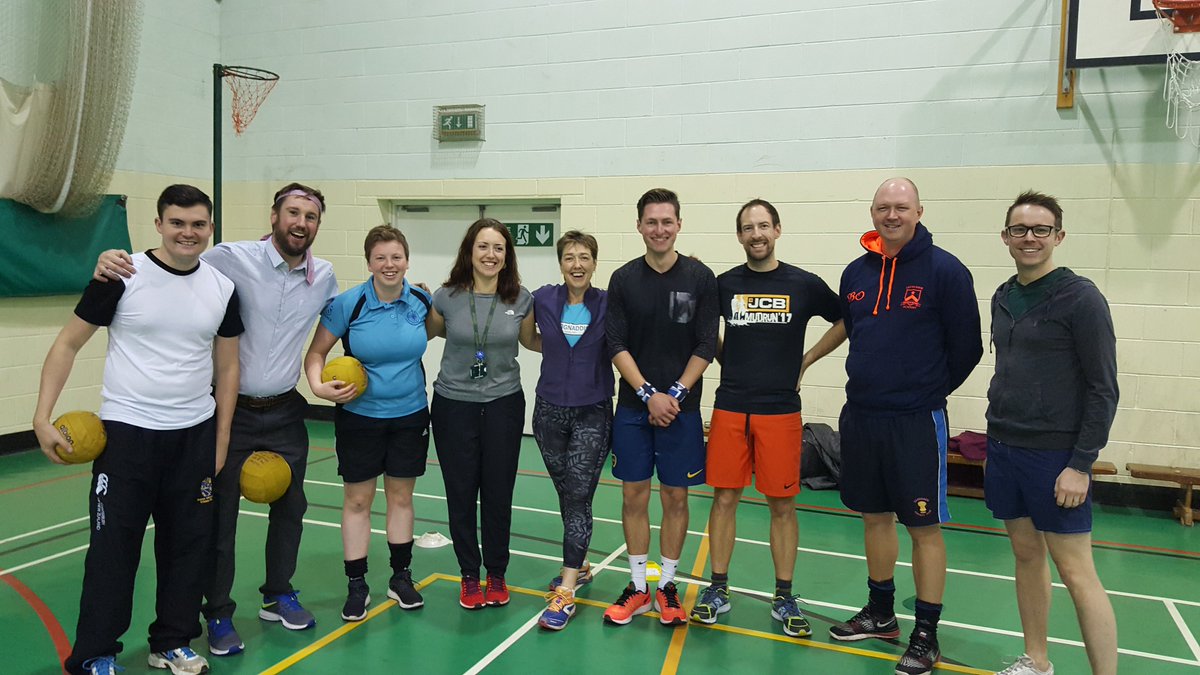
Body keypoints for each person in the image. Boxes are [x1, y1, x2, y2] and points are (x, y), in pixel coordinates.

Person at [95, 183, 338, 655]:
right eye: (293, 213)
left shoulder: (324, 275)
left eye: (310, 217)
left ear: (317, 225)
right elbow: (173, 264)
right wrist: (109, 261)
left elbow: (347, 312)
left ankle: (278, 593)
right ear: (274, 216)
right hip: (230, 410)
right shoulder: (229, 258)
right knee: (219, 518)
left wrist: (410, 292)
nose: (300, 223)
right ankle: (219, 613)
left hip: (287, 410)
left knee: (292, 509)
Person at [35, 185, 242, 675]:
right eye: (177, 223)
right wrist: (42, 416)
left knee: (188, 548)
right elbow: (67, 344)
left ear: (210, 227)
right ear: (159, 225)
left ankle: (171, 642)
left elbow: (229, 369)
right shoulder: (122, 274)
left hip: (193, 434)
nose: (187, 233)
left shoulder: (222, 288)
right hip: (128, 435)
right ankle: (94, 653)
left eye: (197, 224)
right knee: (114, 549)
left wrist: (221, 439)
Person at [829, 178, 982, 675]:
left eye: (901, 207)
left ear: (919, 211)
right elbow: (856, 330)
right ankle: (880, 614)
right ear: (872, 212)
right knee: (874, 518)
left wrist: (923, 392)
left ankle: (925, 633)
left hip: (916, 421)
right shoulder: (855, 272)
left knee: (923, 527)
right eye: (883, 207)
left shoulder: (946, 271)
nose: (891, 215)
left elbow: (968, 348)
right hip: (862, 417)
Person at [688, 199, 845, 638]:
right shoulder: (723, 285)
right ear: (739, 236)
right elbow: (701, 330)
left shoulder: (804, 283)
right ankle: (717, 589)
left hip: (781, 412)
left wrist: (808, 359)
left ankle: (784, 595)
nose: (756, 234)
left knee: (782, 505)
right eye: (747, 228)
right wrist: (728, 355)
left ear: (777, 229)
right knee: (724, 499)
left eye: (763, 226)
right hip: (731, 406)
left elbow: (846, 319)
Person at [986, 192, 1118, 675]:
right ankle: (1037, 660)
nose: (1030, 238)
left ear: (1058, 237)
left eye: (1041, 230)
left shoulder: (1080, 298)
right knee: (1025, 554)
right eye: (1020, 230)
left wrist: (1080, 464)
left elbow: (1104, 389)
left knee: (1077, 573)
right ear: (1006, 238)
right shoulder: (1003, 296)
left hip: (1057, 457)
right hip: (1004, 449)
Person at [304, 225, 433, 622]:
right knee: (358, 500)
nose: (389, 265)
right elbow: (316, 353)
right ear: (369, 263)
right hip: (360, 418)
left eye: (396, 257)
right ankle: (357, 584)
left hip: (410, 414)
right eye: (381, 258)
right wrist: (318, 388)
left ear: (407, 260)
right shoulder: (349, 304)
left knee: (401, 498)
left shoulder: (421, 301)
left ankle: (400, 577)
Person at [603, 188, 719, 627]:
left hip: (682, 412)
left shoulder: (700, 278)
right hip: (634, 408)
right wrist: (649, 393)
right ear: (638, 226)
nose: (659, 229)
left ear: (679, 224)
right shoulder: (623, 279)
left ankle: (667, 585)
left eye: (666, 221)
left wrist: (675, 395)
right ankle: (637, 586)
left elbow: (707, 343)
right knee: (633, 495)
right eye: (651, 222)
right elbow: (616, 343)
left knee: (675, 497)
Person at [425, 218, 538, 610]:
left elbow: (532, 341)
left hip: (504, 405)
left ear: (507, 256)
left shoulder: (521, 299)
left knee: (497, 493)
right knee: (460, 492)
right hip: (453, 405)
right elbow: (426, 332)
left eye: (499, 249)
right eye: (483, 247)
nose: (491, 255)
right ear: (469, 252)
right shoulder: (446, 297)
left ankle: (497, 573)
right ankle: (469, 576)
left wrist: (580, 338)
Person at [525, 230, 614, 631]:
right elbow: (529, 337)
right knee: (566, 491)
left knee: (578, 495)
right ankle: (581, 564)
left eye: (584, 257)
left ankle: (565, 591)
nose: (576, 264)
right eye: (569, 258)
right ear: (560, 263)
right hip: (548, 412)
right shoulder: (543, 298)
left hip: (593, 412)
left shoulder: (610, 303)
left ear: (594, 263)